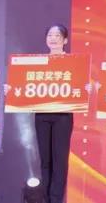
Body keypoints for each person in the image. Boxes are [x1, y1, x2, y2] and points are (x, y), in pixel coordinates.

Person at [35, 24, 74, 203]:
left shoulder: (73, 62)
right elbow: (27, 85)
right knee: (45, 160)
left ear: (65, 40)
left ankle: (56, 199)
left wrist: (86, 88)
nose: (53, 38)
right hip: (42, 114)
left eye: (57, 35)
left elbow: (78, 86)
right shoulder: (38, 62)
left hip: (63, 115)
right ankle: (46, 199)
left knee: (60, 160)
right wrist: (12, 90)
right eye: (50, 35)